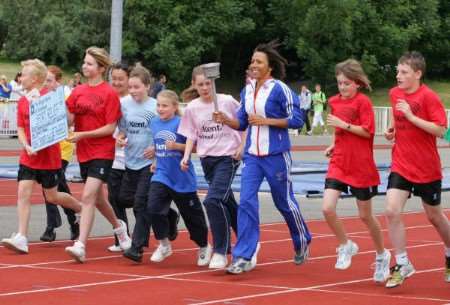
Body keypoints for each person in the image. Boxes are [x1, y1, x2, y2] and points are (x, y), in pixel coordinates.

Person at [214, 41, 311, 274]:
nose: (253, 65)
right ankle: (243, 255)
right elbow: (242, 123)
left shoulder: (280, 89)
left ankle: (302, 239)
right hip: (252, 157)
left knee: (284, 202)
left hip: (276, 155)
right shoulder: (247, 90)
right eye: (252, 61)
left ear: (269, 67)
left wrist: (267, 121)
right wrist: (227, 120)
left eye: (258, 62)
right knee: (246, 201)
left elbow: (297, 120)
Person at [1, 59, 82, 254]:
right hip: (29, 157)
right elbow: (20, 128)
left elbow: (60, 126)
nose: (21, 77)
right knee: (23, 194)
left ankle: (81, 208)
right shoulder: (21, 101)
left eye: (25, 74)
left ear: (36, 78)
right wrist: (26, 145)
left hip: (49, 158)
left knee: (52, 196)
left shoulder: (51, 99)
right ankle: (21, 236)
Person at [384, 51, 450, 288]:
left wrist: (411, 117)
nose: (398, 76)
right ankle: (402, 263)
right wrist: (392, 129)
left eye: (404, 72)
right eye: (397, 71)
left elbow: (441, 130)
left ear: (418, 74)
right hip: (401, 163)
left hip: (426, 167)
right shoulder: (394, 93)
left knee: (434, 216)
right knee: (391, 210)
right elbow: (396, 114)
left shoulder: (429, 98)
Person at [323, 59, 391, 282]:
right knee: (327, 208)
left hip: (361, 167)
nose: (343, 88)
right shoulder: (333, 101)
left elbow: (367, 132)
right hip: (340, 163)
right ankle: (346, 244)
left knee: (365, 215)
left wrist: (344, 126)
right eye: (340, 83)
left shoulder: (363, 103)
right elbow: (339, 132)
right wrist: (334, 144)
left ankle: (382, 255)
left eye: (347, 84)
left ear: (357, 84)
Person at [64, 47, 132, 263]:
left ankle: (81, 244)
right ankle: (120, 228)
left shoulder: (109, 93)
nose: (85, 66)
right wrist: (59, 109)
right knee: (100, 199)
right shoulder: (78, 91)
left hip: (103, 150)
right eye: (84, 62)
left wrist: (83, 134)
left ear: (102, 68)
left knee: (87, 196)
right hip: (83, 152)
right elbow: (69, 121)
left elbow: (110, 127)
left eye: (90, 63)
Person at [179, 65, 244, 269]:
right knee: (228, 202)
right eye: (201, 84)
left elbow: (244, 123)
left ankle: (221, 251)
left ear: (214, 83)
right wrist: (187, 156)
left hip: (228, 156)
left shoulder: (226, 101)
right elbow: (191, 133)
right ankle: (249, 240)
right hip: (208, 160)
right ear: (194, 85)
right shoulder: (192, 108)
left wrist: (242, 146)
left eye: (208, 83)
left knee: (213, 201)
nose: (205, 88)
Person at [116, 64, 179, 263]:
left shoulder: (155, 106)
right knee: (125, 199)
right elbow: (123, 129)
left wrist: (155, 147)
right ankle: (168, 214)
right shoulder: (124, 104)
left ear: (147, 86)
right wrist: (121, 138)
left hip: (150, 162)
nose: (133, 91)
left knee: (140, 204)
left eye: (137, 87)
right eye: (130, 87)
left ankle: (136, 247)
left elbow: (166, 126)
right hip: (130, 160)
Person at [147, 90, 211, 266]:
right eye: (158, 105)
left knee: (193, 217)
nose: (160, 109)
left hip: (182, 178)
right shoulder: (153, 123)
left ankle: (204, 246)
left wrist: (176, 146)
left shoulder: (182, 123)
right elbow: (158, 144)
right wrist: (154, 157)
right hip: (161, 174)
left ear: (175, 107)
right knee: (152, 207)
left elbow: (197, 147)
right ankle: (164, 244)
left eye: (165, 106)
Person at [40, 65, 79, 242]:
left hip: (62, 148)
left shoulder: (66, 97)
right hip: (46, 149)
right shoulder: (42, 97)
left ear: (58, 81)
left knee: (53, 187)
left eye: (49, 80)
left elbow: (71, 121)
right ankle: (72, 220)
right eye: (44, 80)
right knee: (56, 187)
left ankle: (52, 226)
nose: (46, 84)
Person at [107, 62, 130, 252]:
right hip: (112, 157)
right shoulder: (108, 98)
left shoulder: (134, 100)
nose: (117, 82)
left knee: (134, 199)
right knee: (114, 198)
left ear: (129, 80)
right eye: (114, 78)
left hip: (134, 158)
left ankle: (169, 215)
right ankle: (122, 238)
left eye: (121, 79)